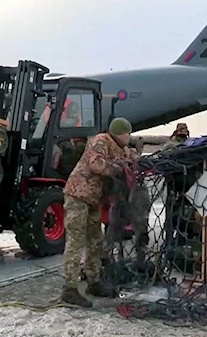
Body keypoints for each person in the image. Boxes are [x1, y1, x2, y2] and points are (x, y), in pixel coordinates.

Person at [61, 117, 137, 307]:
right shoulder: (101, 141)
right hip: (79, 195)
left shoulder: (120, 148)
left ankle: (93, 281)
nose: (129, 137)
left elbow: (129, 158)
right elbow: (97, 164)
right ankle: (69, 288)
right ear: (120, 133)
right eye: (128, 133)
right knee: (76, 240)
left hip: (94, 199)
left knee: (95, 241)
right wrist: (117, 169)